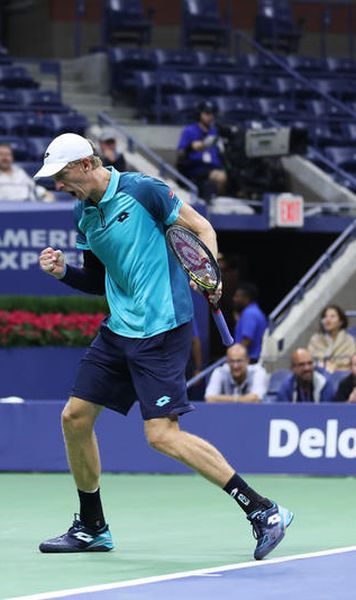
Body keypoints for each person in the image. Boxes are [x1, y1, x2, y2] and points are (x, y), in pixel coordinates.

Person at [35, 132, 292, 560]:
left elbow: (202, 227)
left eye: (62, 176)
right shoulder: (84, 212)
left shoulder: (143, 190)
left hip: (162, 328)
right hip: (119, 328)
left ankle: (264, 510)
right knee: (74, 418)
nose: (59, 186)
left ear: (85, 164)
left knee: (161, 435)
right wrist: (63, 272)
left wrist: (210, 276)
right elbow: (99, 281)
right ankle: (92, 526)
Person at [176, 100, 228, 200]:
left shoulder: (215, 131)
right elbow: (180, 153)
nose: (210, 117)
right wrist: (191, 147)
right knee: (221, 177)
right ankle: (213, 201)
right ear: (200, 114)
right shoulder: (189, 130)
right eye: (207, 113)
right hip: (196, 168)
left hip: (213, 167)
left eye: (212, 114)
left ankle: (217, 200)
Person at [307, 304, 356, 372]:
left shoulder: (349, 341)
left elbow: (352, 366)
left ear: (340, 322)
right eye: (325, 317)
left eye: (332, 317)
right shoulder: (315, 340)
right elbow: (308, 362)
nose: (328, 320)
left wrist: (334, 369)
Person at [233, 282, 267, 364]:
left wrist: (235, 357)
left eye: (237, 296)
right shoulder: (254, 311)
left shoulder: (249, 313)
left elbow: (246, 339)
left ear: (246, 298)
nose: (234, 299)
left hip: (249, 360)